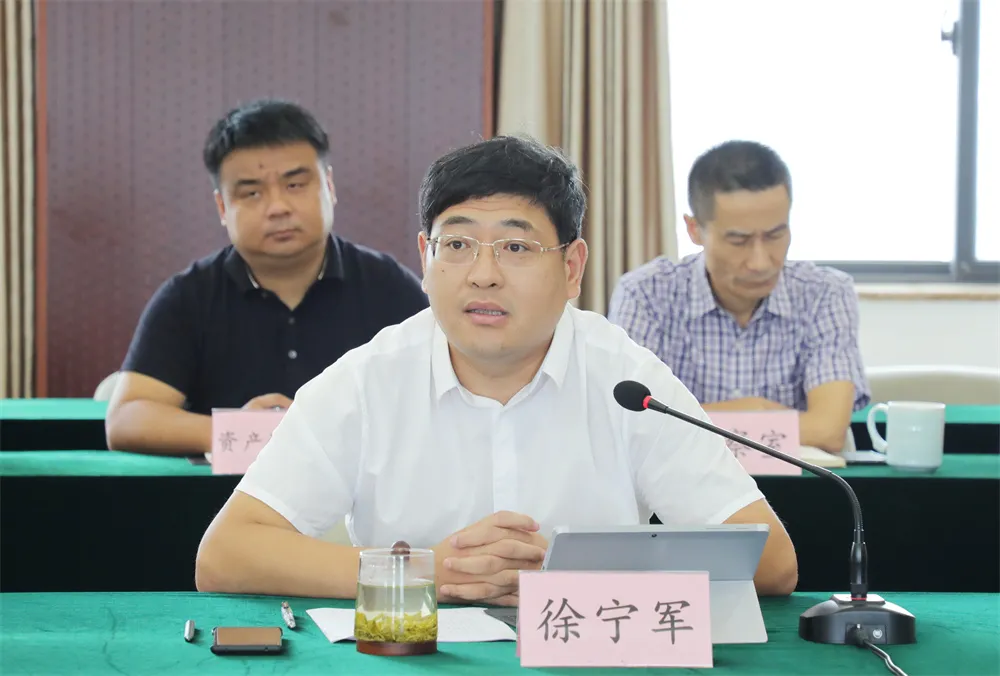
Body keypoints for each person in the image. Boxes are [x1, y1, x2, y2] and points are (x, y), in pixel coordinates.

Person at [195, 135, 797, 605]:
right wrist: (425, 572)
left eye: (515, 248)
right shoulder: (367, 380)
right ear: (425, 258)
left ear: (572, 267)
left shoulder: (626, 381)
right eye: (457, 246)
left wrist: (570, 577)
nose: (483, 275)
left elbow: (771, 563)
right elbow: (225, 554)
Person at [105, 100, 428, 456]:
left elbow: (445, 395)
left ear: (329, 186)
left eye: (295, 185)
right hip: (229, 491)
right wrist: (244, 433)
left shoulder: (389, 287)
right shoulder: (188, 297)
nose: (278, 208)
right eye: (252, 193)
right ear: (222, 207)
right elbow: (126, 420)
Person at [608, 140, 870, 453]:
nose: (760, 262)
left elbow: (828, 430)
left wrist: (694, 416)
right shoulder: (645, 294)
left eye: (775, 235)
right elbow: (630, 422)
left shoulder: (825, 293)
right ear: (694, 229)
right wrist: (757, 411)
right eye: (739, 240)